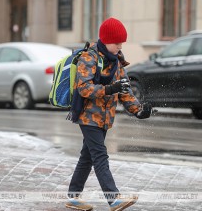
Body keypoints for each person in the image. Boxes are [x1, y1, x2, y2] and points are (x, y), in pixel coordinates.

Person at [65, 17, 152, 211]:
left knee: (87, 157)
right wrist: (109, 89)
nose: (120, 47)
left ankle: (73, 197)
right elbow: (84, 88)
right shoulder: (90, 57)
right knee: (100, 155)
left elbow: (125, 90)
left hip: (104, 117)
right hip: (88, 116)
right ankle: (113, 199)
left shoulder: (117, 61)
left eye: (122, 43)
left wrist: (138, 110)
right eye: (117, 43)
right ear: (105, 40)